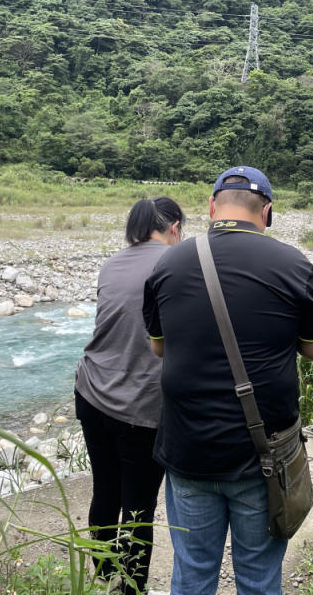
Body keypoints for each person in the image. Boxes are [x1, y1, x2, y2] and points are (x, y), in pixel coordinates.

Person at [143, 166, 313, 595]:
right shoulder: (293, 263)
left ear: (211, 207)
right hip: (263, 455)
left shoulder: (169, 262)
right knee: (259, 579)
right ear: (266, 212)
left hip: (189, 449)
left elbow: (159, 348)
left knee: (192, 574)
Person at [75, 197, 185, 595]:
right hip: (140, 404)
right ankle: (132, 589)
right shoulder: (175, 263)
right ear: (175, 227)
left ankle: (103, 580)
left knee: (104, 489)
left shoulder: (113, 263)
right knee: (138, 505)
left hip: (92, 391)